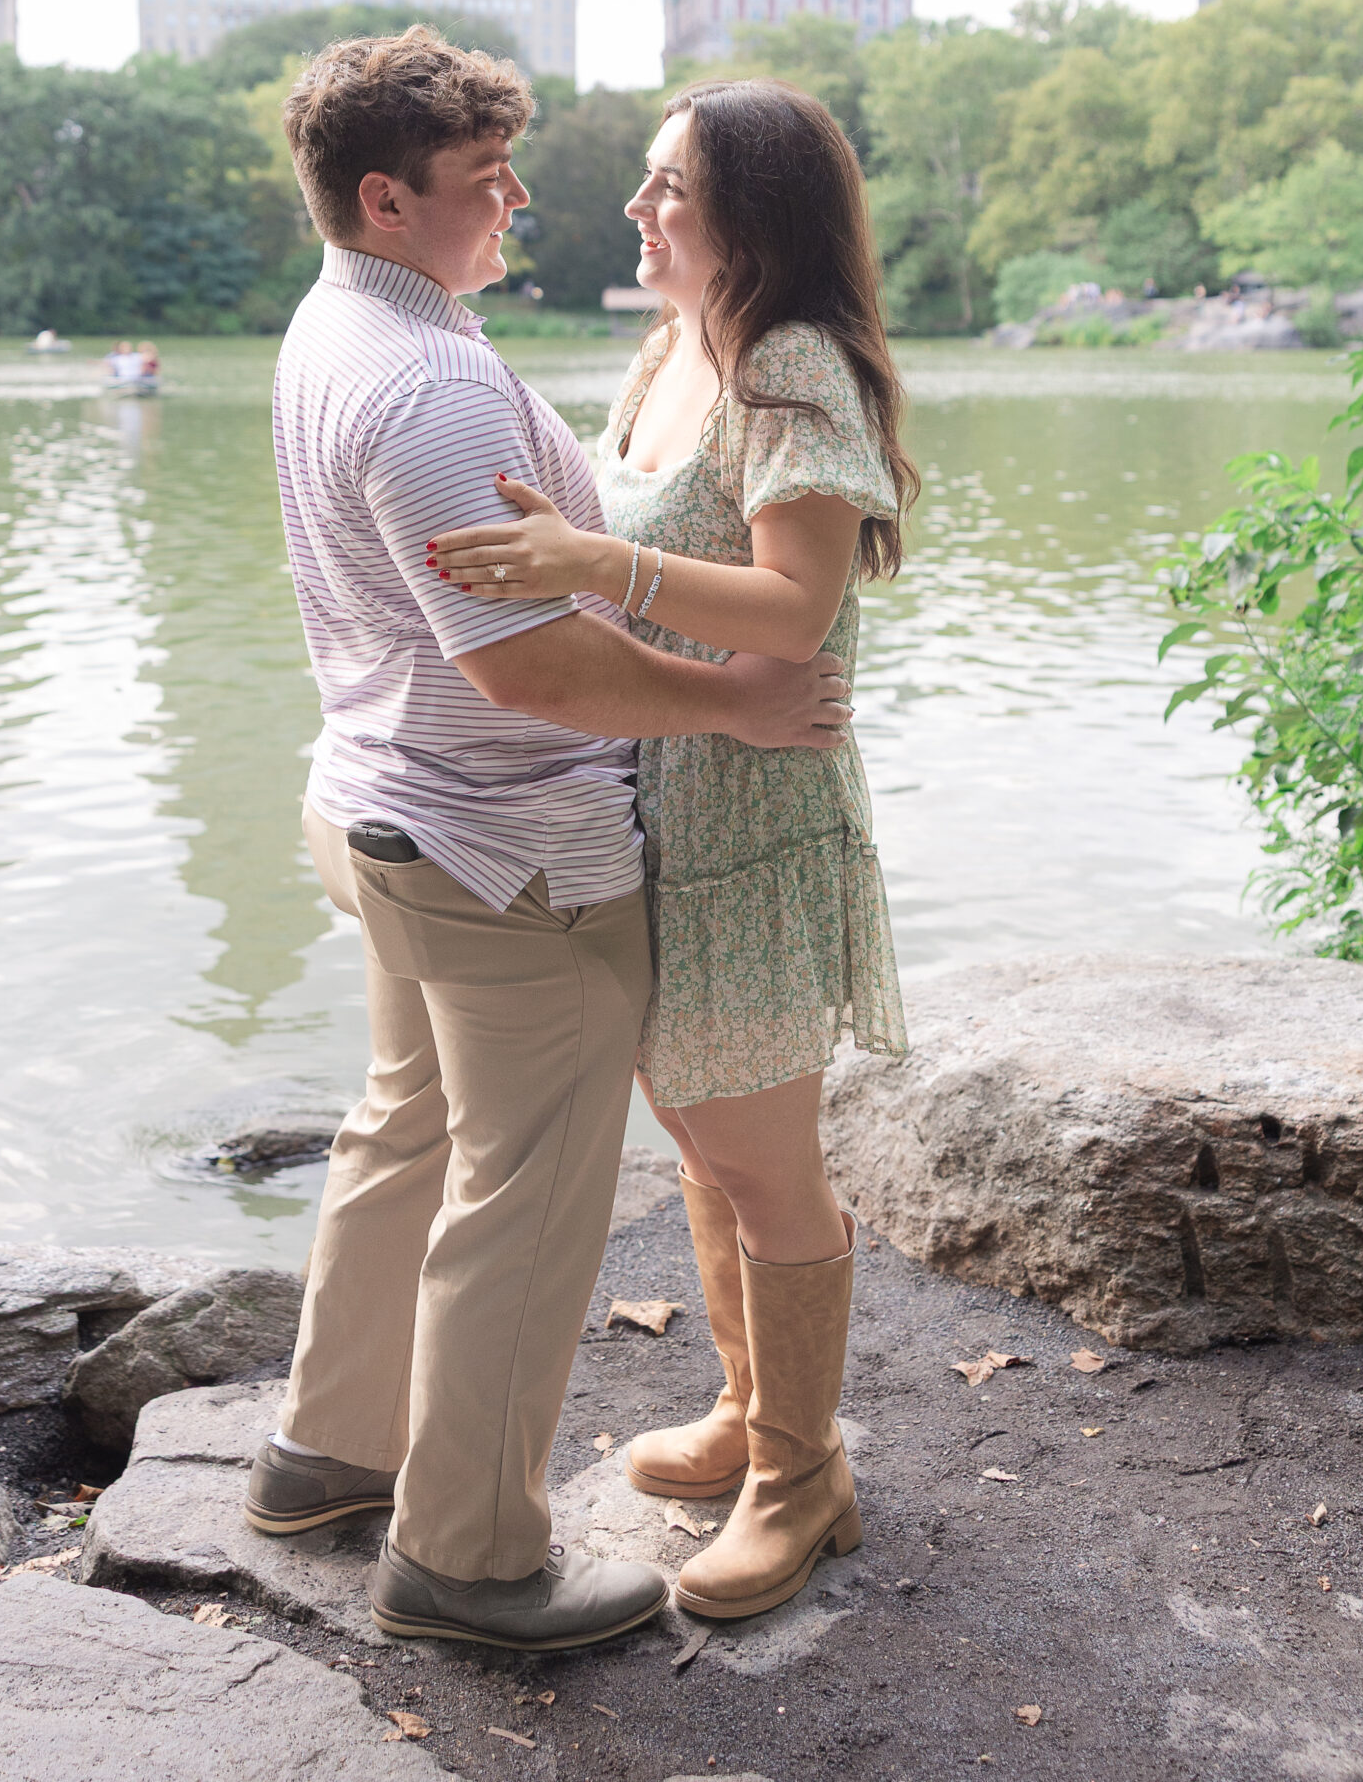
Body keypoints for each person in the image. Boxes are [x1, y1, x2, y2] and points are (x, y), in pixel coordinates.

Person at [246, 29, 850, 1655]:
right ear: (386, 198)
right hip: (504, 852)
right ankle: (468, 1559)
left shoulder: (337, 323)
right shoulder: (433, 380)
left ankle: (328, 1452)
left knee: (404, 1135)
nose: (525, 194)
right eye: (481, 177)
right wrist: (726, 709)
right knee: (519, 1207)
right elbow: (525, 662)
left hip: (386, 807)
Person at [429, 79, 919, 1621]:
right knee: (702, 1131)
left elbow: (795, 610)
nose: (637, 213)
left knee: (766, 1160)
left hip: (755, 819)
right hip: (650, 795)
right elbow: (626, 554)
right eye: (645, 187)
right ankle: (744, 1405)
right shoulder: (674, 354)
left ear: (751, 217)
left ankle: (802, 1474)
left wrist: (591, 559)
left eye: (669, 191)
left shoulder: (792, 369)